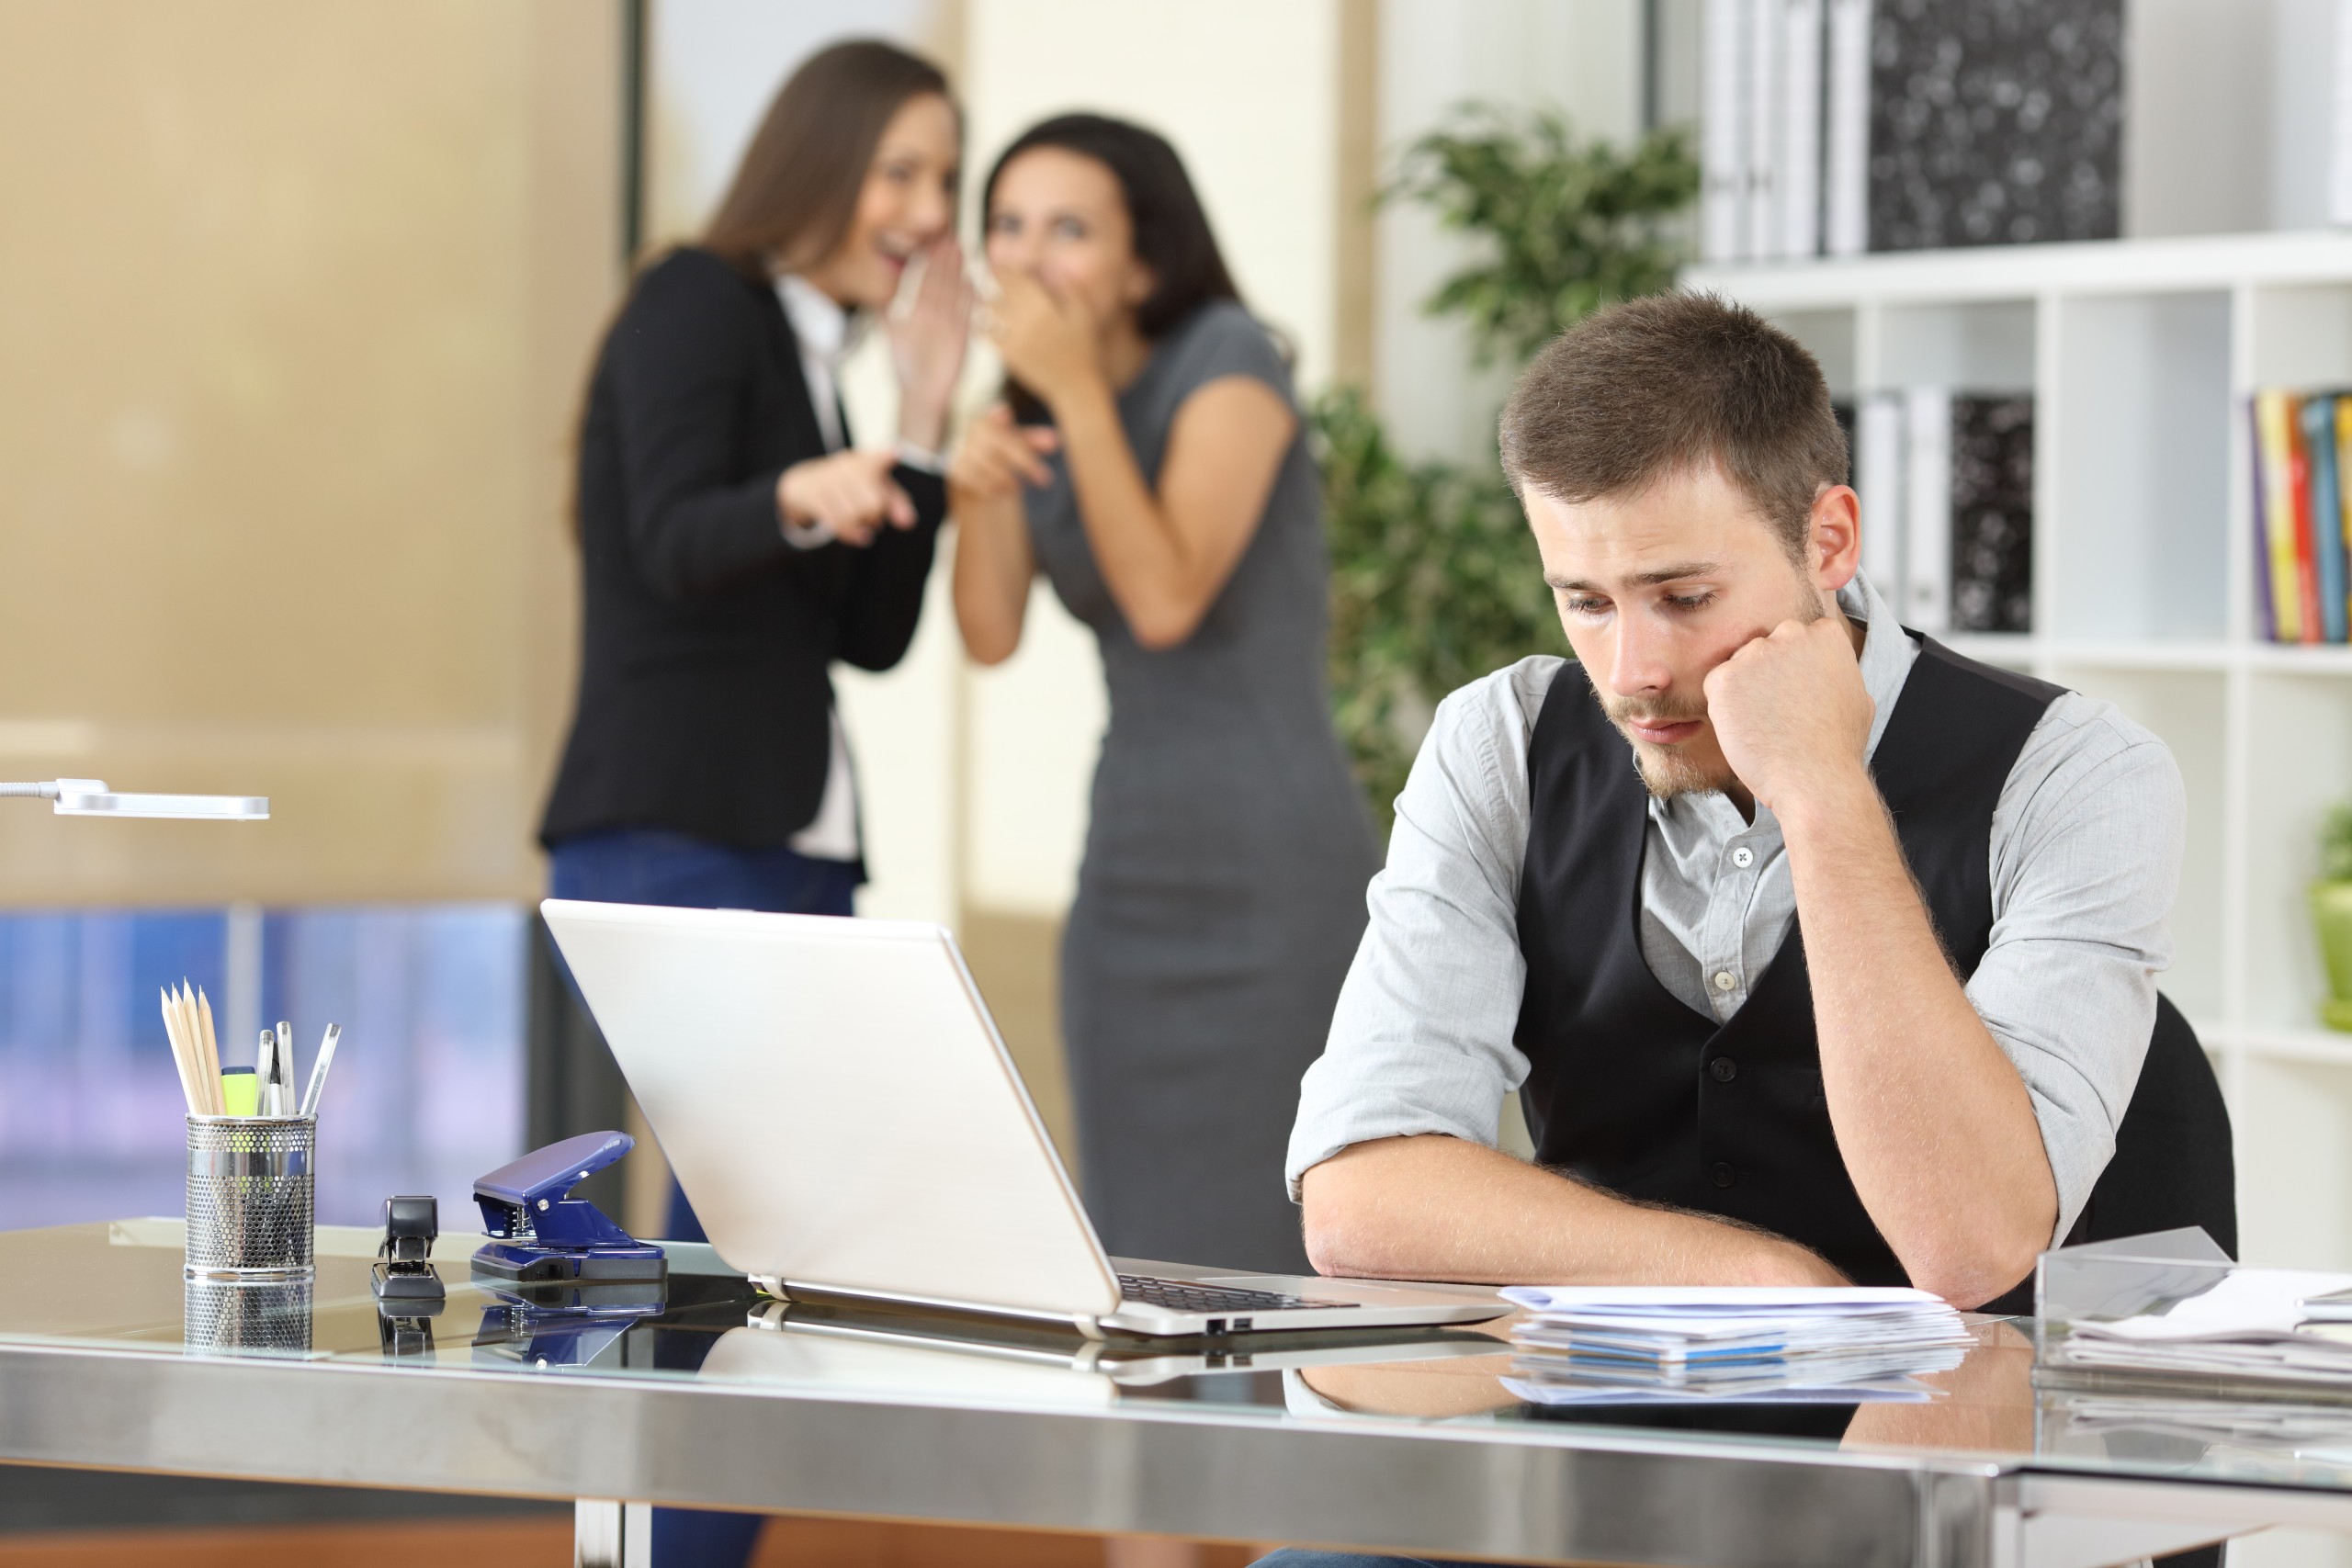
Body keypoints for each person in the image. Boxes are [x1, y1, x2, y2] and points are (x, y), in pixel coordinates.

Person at [1252, 291, 2192, 1568]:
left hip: (1949, 1485)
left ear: (1830, 537)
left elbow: (1968, 1240)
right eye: (1582, 600)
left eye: (1683, 594)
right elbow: (1360, 1194)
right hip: (1613, 1461)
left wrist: (1823, 790)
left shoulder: (2078, 774)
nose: (1632, 667)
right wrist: (1736, 1273)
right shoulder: (1502, 742)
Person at [535, 41, 969, 1568]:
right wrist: (809, 489)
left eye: (942, 178)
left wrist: (915, 426)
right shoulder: (695, 303)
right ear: (819, 156)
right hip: (683, 826)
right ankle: (652, 1549)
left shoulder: (811, 352)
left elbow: (872, 627)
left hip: (776, 843)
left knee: (760, 1242)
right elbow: (667, 533)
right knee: (740, 1240)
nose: (926, 210)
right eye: (901, 169)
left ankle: (657, 1547)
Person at [951, 114, 1379, 1277]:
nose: (1032, 259)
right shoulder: (1035, 408)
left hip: (1270, 865)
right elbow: (986, 634)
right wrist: (976, 480)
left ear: (1142, 259)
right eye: (1009, 227)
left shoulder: (1229, 360)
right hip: (1131, 864)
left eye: (1071, 229)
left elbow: (1165, 598)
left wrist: (1077, 397)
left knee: (1269, 1249)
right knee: (1135, 1249)